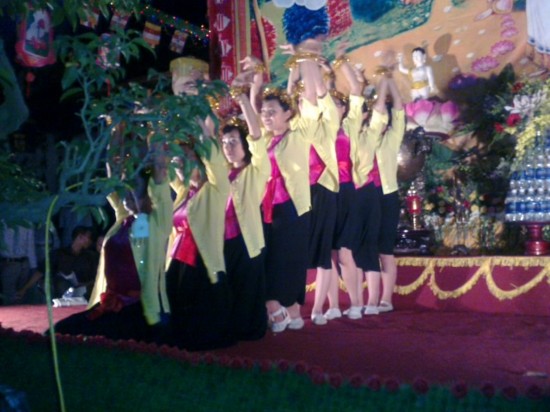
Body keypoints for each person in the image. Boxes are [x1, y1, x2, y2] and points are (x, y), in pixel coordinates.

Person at [237, 50, 322, 332]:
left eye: (272, 112)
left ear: (288, 113)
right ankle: (285, 310)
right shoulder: (265, 140)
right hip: (266, 207)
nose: (266, 116)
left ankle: (286, 308)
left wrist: (305, 57)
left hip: (292, 208)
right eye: (264, 113)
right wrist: (255, 81)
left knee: (288, 259)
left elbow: (310, 97)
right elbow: (253, 112)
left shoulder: (299, 135)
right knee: (270, 258)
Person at [53, 142, 173, 343]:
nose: (127, 194)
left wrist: (156, 143)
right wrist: (116, 133)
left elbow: (160, 181)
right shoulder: (123, 219)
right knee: (61, 330)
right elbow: (111, 181)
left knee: (101, 340)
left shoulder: (154, 223)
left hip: (140, 308)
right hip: (112, 304)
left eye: (134, 190)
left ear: (147, 195)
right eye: (126, 189)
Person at [166, 119, 236, 350]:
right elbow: (163, 162)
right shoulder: (184, 191)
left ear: (199, 160)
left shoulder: (216, 189)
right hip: (178, 260)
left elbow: (214, 160)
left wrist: (200, 122)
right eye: (177, 162)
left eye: (185, 159)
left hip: (202, 262)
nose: (180, 165)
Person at [310, 44, 368, 323]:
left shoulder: (351, 125)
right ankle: (332, 306)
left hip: (346, 191)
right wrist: (312, 67)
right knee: (327, 254)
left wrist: (340, 61)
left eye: (338, 103)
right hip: (324, 191)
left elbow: (356, 88)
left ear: (344, 108)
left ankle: (356, 303)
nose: (333, 106)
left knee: (345, 253)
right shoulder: (319, 128)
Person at [356, 73, 405, 315]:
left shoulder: (392, 138)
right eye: (378, 115)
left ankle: (386, 299)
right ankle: (370, 299)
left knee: (385, 249)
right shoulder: (363, 139)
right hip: (365, 197)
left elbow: (399, 109)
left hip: (387, 197)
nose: (382, 118)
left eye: (385, 115)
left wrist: (388, 81)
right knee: (367, 248)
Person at [219, 111, 270, 340]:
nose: (228, 147)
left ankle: (249, 331)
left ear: (245, 144)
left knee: (248, 287)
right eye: (224, 142)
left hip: (246, 239)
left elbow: (257, 137)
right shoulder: (222, 173)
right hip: (223, 240)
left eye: (233, 141)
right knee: (228, 286)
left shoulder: (256, 170)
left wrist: (243, 101)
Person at [0, 222, 42, 305]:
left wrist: (33, 267)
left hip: (23, 262)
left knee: (22, 293)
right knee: (9, 294)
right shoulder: (3, 221)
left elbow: (30, 245)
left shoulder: (26, 222)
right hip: (9, 262)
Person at [51, 225, 96, 299]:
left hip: (84, 291)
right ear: (80, 237)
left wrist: (83, 284)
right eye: (88, 237)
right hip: (64, 290)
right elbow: (42, 271)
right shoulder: (61, 253)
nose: (90, 241)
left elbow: (94, 278)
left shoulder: (90, 256)